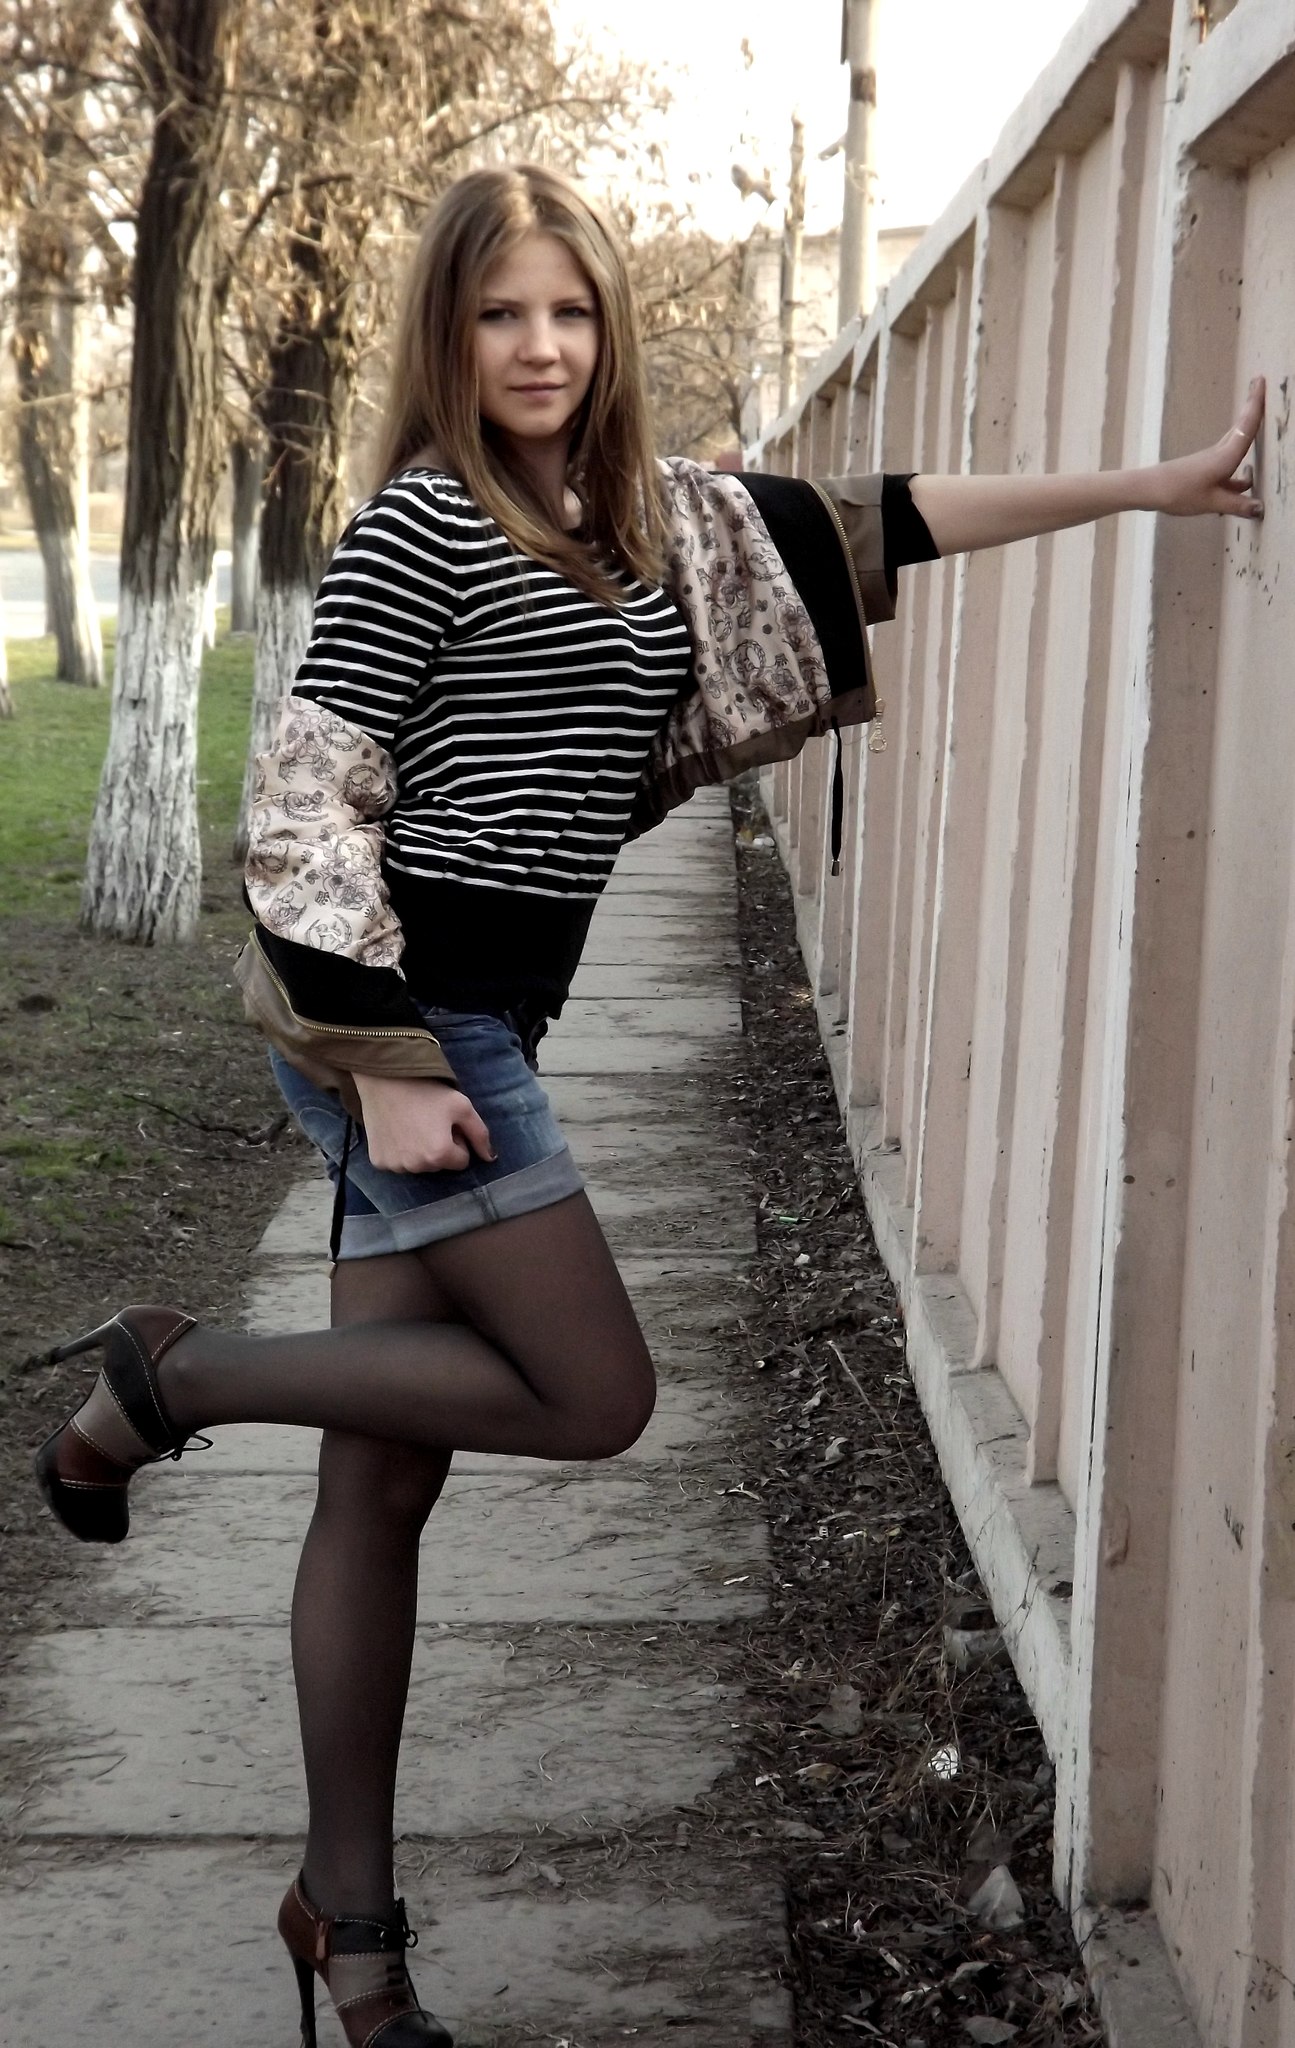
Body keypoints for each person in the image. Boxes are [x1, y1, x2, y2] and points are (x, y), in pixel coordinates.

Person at [33, 163, 1263, 2048]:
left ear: (607, 330)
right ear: (448, 336)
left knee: (382, 1477)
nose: (540, 346)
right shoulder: (421, 526)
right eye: (500, 313)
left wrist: (1155, 485)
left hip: (472, 1022)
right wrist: (391, 1075)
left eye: (570, 310)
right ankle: (174, 1377)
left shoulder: (653, 524)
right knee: (596, 1395)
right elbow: (298, 807)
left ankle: (349, 1929)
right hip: (417, 1019)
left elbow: (883, 519)